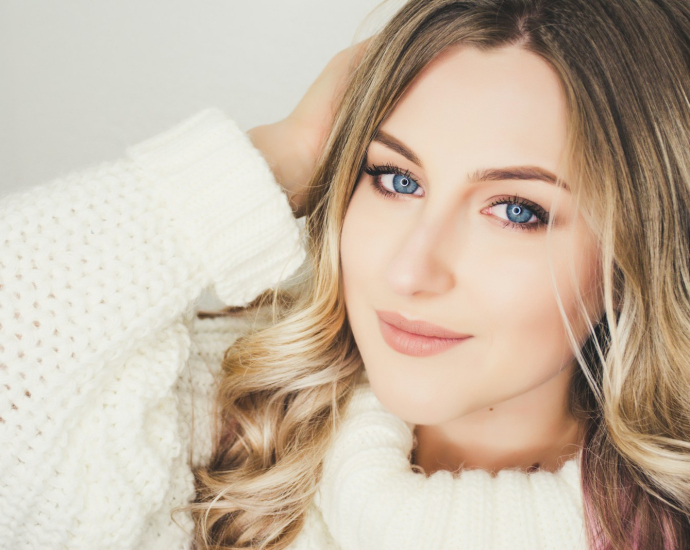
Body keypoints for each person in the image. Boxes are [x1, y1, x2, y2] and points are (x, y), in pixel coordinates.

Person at [3, 0, 690, 549]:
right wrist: (286, 154)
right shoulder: (221, 431)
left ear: (643, 248)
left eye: (514, 209)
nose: (410, 269)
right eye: (395, 177)